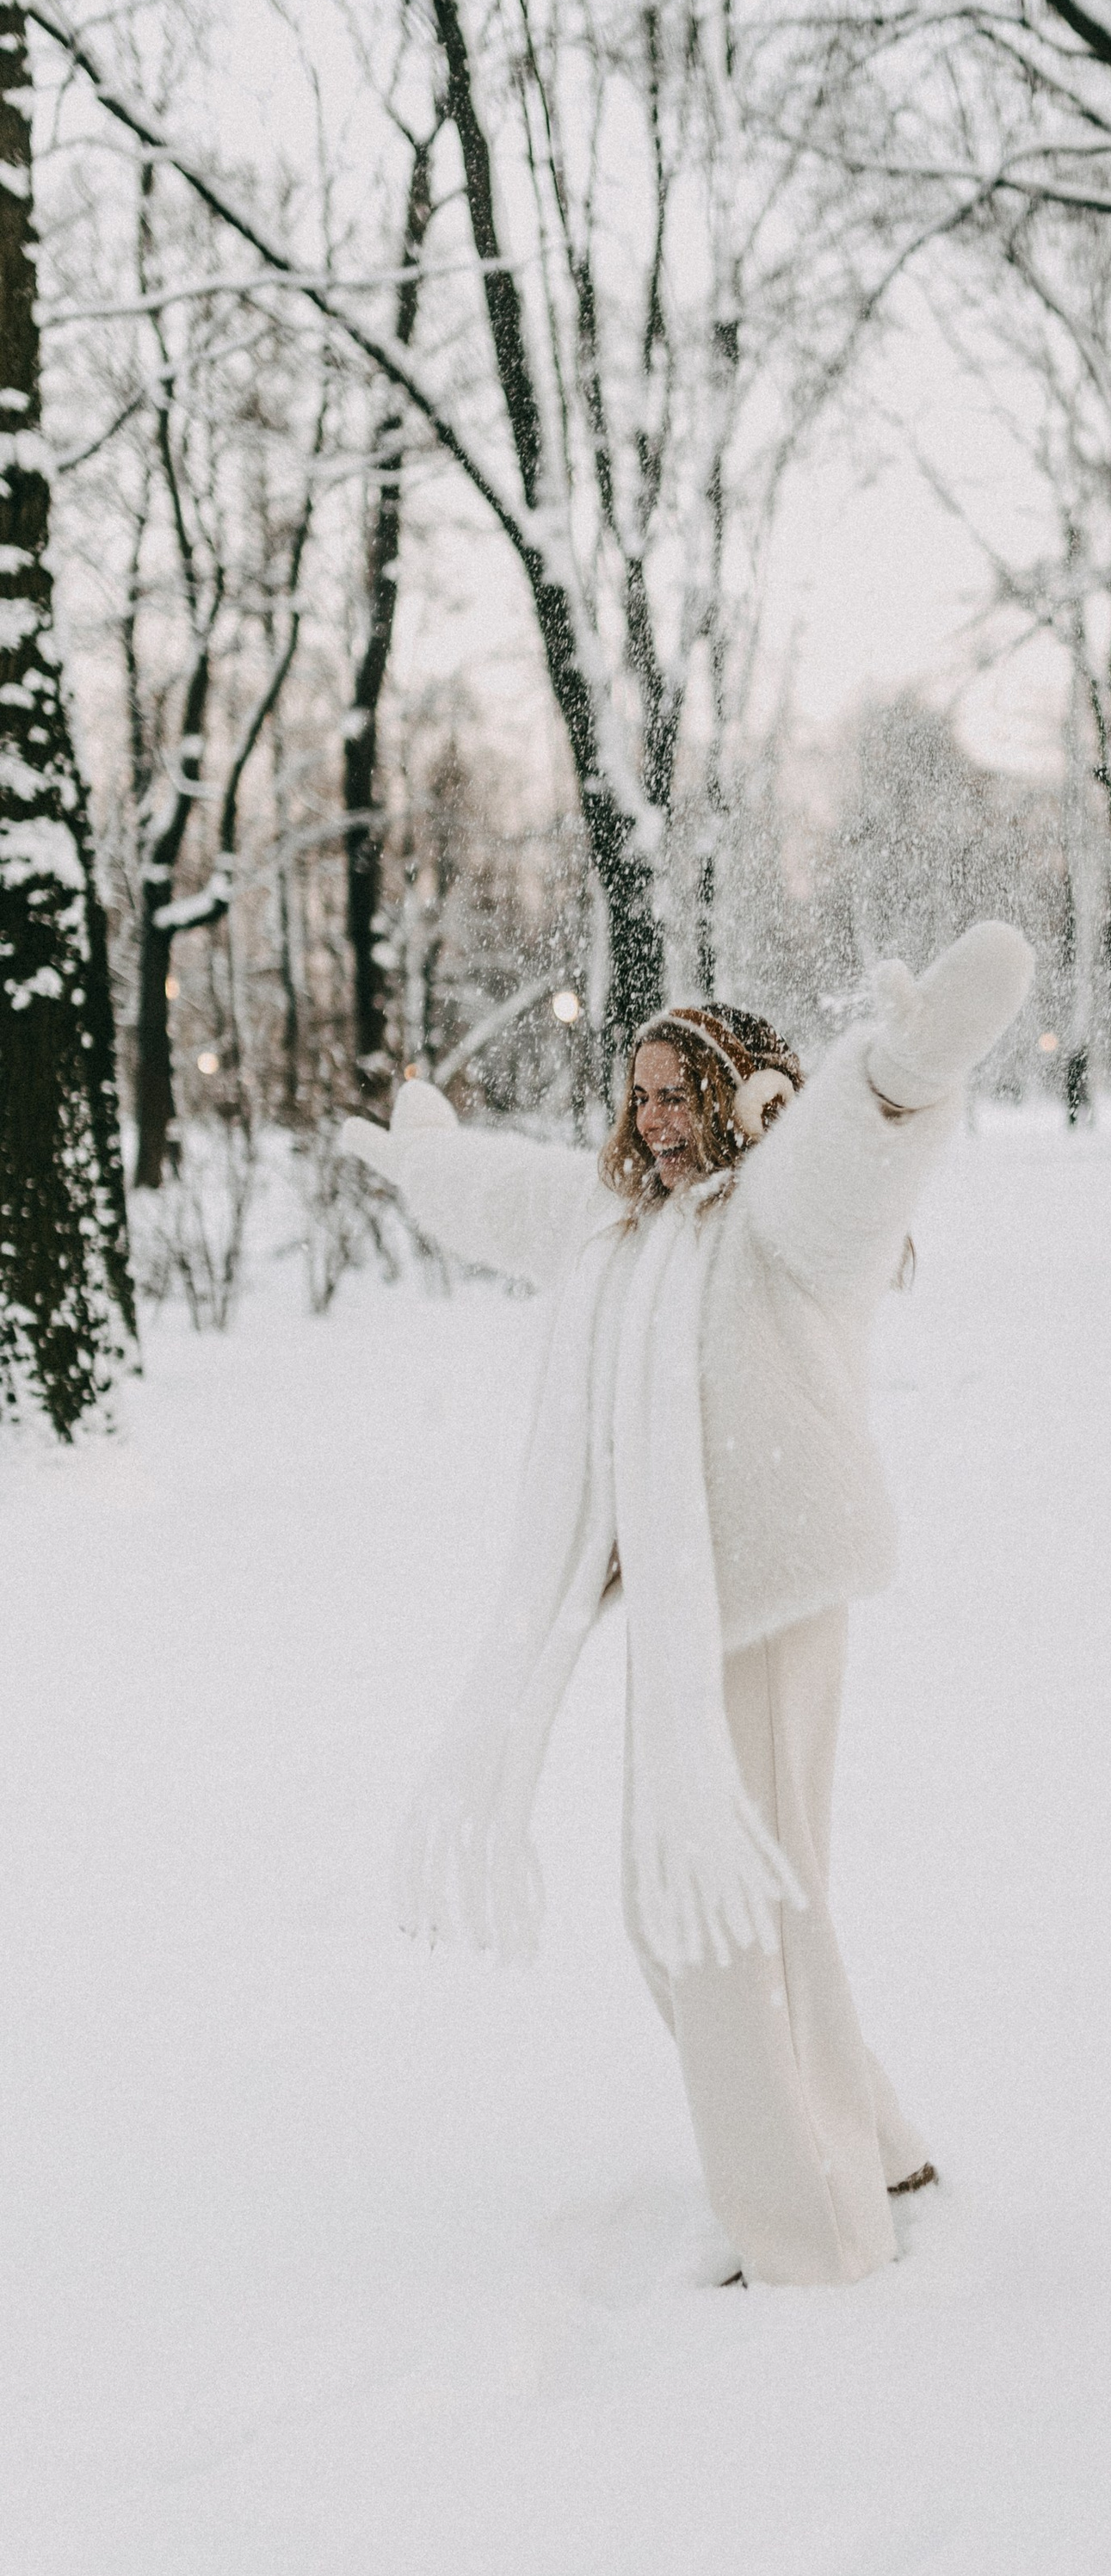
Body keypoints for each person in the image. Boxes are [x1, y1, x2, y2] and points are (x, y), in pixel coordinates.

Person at [343, 921, 1034, 2289]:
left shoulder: (775, 1210)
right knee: (746, 1910)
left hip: (767, 1602)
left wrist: (904, 1072)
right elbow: (510, 1198)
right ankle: (872, 2151)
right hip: (685, 1612)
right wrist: (425, 1155)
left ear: (741, 1099)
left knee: (714, 1919)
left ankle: (810, 2235)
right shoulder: (624, 1230)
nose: (654, 1119)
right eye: (640, 1093)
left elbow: (854, 1159)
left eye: (681, 1092)